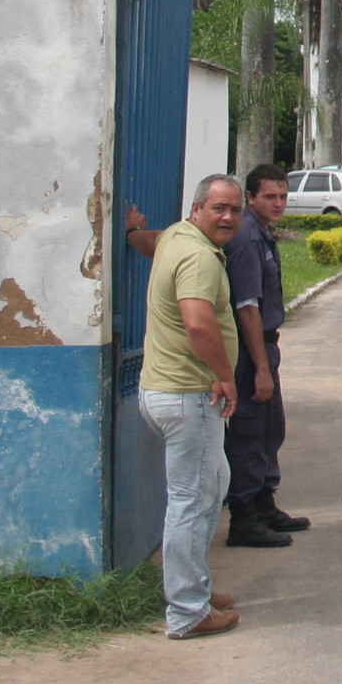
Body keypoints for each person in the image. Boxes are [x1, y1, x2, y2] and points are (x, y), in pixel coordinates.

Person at [133, 174, 247, 639]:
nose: (228, 217)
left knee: (212, 485)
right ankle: (186, 611)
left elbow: (151, 239)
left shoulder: (176, 238)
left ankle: (195, 585)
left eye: (235, 210)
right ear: (197, 209)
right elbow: (199, 325)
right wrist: (225, 376)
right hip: (189, 395)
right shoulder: (199, 257)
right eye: (219, 208)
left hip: (164, 391)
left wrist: (129, 233)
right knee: (191, 500)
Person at [221, 164, 305, 547]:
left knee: (270, 428)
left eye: (283, 196)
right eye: (269, 196)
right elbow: (247, 306)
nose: (278, 203)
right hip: (250, 349)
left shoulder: (261, 234)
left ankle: (264, 501)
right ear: (250, 197)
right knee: (249, 432)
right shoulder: (247, 239)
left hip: (266, 346)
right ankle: (245, 516)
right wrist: (260, 368)